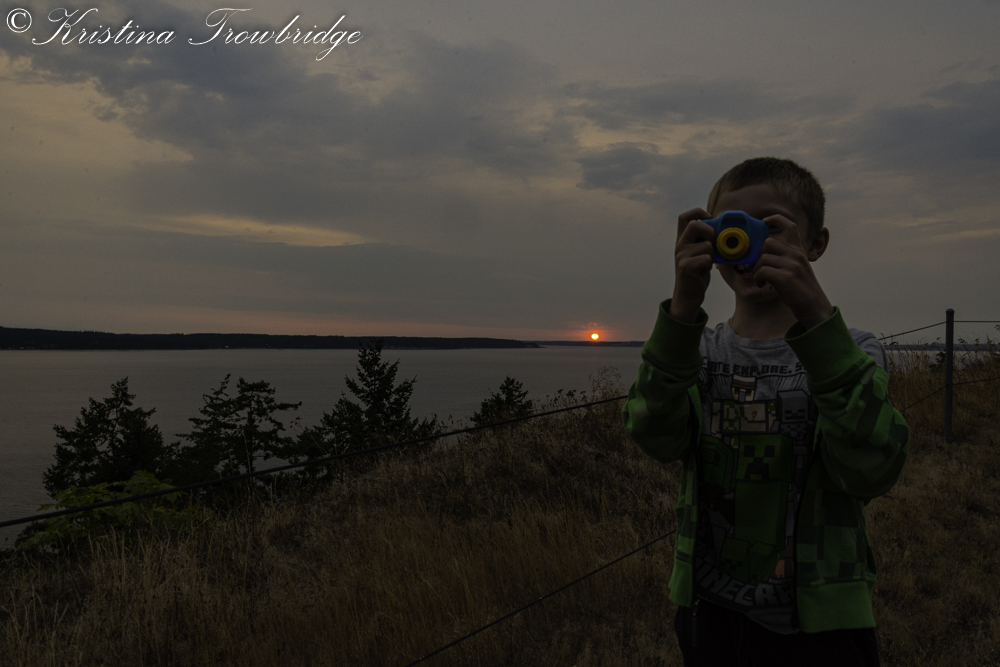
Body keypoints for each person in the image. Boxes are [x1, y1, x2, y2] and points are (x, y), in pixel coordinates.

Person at [621, 157, 908, 667]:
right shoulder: (697, 352)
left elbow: (871, 468)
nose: (749, 243)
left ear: (815, 244)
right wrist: (682, 309)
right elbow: (653, 433)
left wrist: (816, 313)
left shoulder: (852, 351)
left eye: (771, 227)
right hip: (710, 615)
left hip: (820, 629)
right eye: (732, 228)